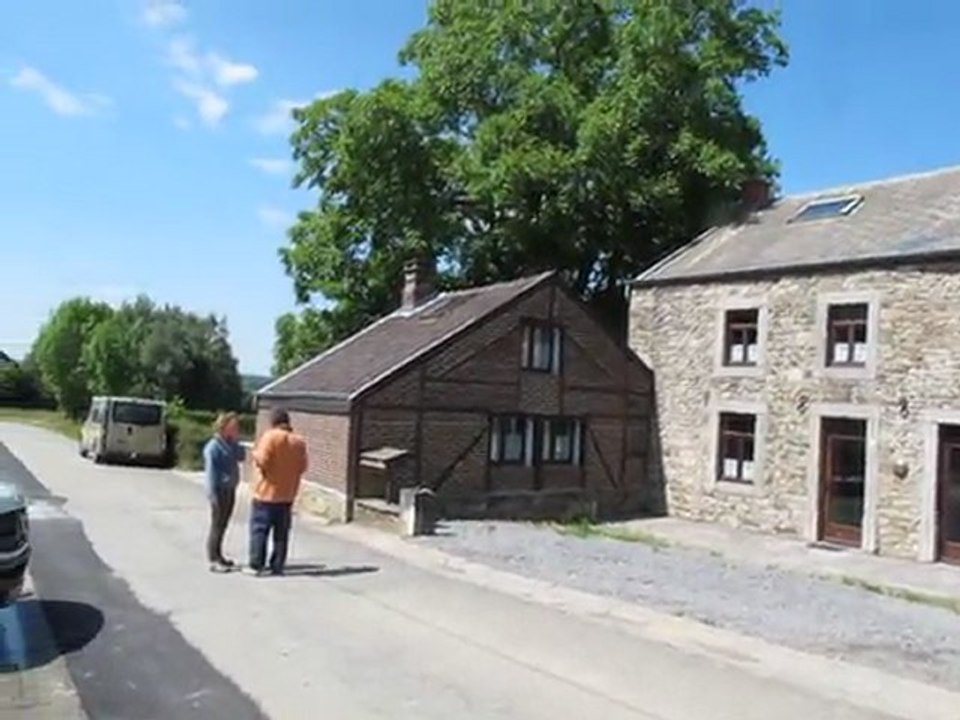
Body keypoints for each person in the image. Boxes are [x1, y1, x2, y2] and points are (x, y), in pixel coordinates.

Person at [248, 407, 308, 576]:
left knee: (260, 529)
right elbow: (303, 467)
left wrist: (255, 454)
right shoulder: (299, 442)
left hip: (266, 493)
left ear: (272, 421)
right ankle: (278, 564)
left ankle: (257, 564)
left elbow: (263, 461)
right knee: (281, 533)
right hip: (287, 494)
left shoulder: (270, 437)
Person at [202, 412, 245, 573]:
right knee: (217, 525)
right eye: (233, 426)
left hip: (229, 489)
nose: (236, 429)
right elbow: (211, 473)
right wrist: (212, 494)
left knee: (223, 524)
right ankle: (213, 559)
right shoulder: (214, 446)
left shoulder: (230, 444)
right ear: (224, 426)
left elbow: (241, 456)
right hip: (218, 490)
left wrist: (235, 440)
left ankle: (219, 555)